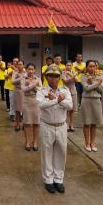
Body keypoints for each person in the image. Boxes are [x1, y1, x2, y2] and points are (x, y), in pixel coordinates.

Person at [37, 65, 73, 194]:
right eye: (51, 76)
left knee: (61, 152)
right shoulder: (42, 91)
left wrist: (58, 100)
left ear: (60, 77)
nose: (53, 79)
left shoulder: (65, 90)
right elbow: (41, 105)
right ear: (46, 77)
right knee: (47, 153)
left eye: (56, 76)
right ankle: (48, 180)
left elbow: (70, 105)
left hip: (61, 125)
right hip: (47, 125)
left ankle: (58, 179)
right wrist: (57, 101)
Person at [80, 60, 103, 152]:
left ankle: (93, 143)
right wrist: (97, 83)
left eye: (94, 66)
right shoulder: (83, 77)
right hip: (86, 100)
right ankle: (87, 143)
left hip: (96, 101)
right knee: (87, 123)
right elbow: (86, 88)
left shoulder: (100, 77)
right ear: (86, 67)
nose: (92, 68)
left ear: (96, 67)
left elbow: (101, 90)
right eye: (90, 66)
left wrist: (92, 82)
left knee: (94, 124)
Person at [22, 63, 42, 151]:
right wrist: (34, 85)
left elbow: (40, 90)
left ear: (34, 70)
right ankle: (27, 141)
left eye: (32, 69)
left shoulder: (38, 79)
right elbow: (24, 89)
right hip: (26, 101)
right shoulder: (23, 78)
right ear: (26, 70)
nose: (30, 71)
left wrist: (30, 85)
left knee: (36, 123)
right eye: (29, 69)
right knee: (27, 123)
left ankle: (35, 142)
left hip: (36, 101)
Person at [61, 61, 78, 132]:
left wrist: (71, 75)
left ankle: (72, 124)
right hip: (66, 92)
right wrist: (73, 77)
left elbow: (77, 80)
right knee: (66, 109)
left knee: (72, 110)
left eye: (70, 65)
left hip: (73, 92)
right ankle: (66, 124)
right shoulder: (63, 73)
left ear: (72, 66)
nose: (68, 67)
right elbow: (65, 81)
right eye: (67, 65)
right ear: (65, 66)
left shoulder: (73, 72)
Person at [12, 60, 27, 132]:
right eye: (18, 64)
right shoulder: (15, 72)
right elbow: (13, 81)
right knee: (17, 110)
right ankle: (17, 124)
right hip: (17, 91)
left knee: (25, 109)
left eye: (21, 64)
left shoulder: (26, 73)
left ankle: (24, 124)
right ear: (16, 65)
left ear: (23, 65)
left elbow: (28, 81)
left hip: (25, 92)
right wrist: (21, 77)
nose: (20, 66)